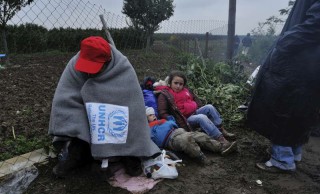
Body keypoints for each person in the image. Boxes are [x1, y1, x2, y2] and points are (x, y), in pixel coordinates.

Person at [48, 36, 160, 177]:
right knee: (77, 126)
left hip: (116, 118)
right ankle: (76, 157)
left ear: (107, 61)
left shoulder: (123, 67)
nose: (89, 72)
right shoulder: (74, 65)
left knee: (126, 123)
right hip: (88, 118)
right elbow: (66, 97)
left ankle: (130, 155)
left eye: (95, 67)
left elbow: (133, 105)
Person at [247, 0, 320, 173]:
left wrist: (285, 42)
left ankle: (282, 159)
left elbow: (315, 24)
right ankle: (293, 153)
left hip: (300, 60)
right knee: (299, 109)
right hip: (307, 62)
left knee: (283, 108)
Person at [157, 70, 236, 150]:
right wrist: (171, 120)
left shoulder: (186, 91)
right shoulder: (165, 94)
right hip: (184, 119)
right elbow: (162, 111)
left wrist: (197, 107)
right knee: (201, 117)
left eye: (181, 84)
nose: (178, 86)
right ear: (170, 82)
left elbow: (196, 99)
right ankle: (221, 140)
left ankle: (221, 129)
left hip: (194, 112)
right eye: (175, 83)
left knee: (209, 107)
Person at [146, 107, 237, 165]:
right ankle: (199, 156)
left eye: (154, 114)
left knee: (200, 136)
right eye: (150, 115)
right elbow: (152, 140)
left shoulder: (162, 121)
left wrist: (171, 121)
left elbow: (172, 123)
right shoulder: (148, 128)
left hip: (179, 131)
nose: (153, 116)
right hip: (170, 139)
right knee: (186, 140)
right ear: (145, 118)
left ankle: (221, 147)